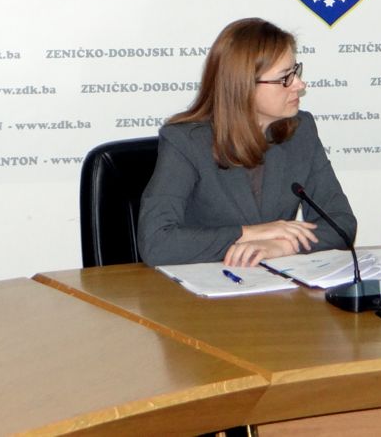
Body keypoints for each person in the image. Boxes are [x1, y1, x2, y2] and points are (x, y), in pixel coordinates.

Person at [138, 18, 356, 267]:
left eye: (295, 71)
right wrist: (249, 234)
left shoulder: (301, 131)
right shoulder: (186, 142)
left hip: (274, 283)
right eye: (285, 77)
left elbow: (341, 223)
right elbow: (156, 242)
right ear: (243, 86)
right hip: (206, 284)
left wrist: (283, 245)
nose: (299, 84)